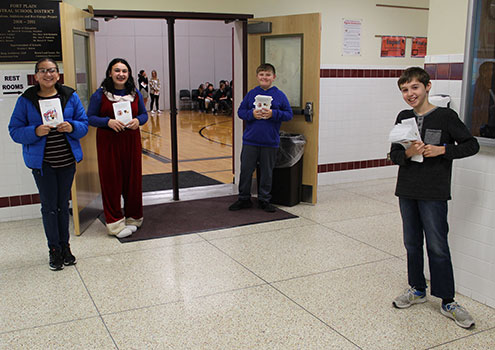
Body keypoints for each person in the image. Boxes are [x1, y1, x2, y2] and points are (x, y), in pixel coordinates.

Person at [390, 67, 479, 329]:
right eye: (405, 90)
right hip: (407, 190)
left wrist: (442, 150)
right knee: (412, 243)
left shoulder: (446, 116)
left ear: (427, 87)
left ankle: (448, 300)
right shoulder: (403, 117)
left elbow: (470, 145)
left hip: (434, 192)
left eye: (414, 88)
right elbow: (394, 154)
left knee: (438, 246)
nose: (409, 94)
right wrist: (407, 153)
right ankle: (417, 289)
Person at [8, 58, 88, 271]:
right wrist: (34, 131)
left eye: (52, 70)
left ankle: (65, 247)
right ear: (36, 76)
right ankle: (54, 249)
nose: (48, 74)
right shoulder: (26, 100)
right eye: (43, 71)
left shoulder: (69, 96)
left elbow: (84, 125)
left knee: (63, 206)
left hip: (67, 161)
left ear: (57, 74)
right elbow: (14, 130)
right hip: (43, 164)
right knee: (49, 207)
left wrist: (71, 127)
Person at [87, 58, 148, 238]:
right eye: (117, 70)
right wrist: (107, 122)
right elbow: (90, 117)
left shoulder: (135, 93)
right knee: (111, 181)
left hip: (131, 141)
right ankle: (114, 222)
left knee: (133, 180)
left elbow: (144, 114)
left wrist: (138, 120)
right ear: (109, 73)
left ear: (128, 74)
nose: (121, 74)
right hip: (108, 142)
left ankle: (134, 217)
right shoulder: (100, 95)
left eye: (124, 71)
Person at [229, 63, 293, 212]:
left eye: (268, 75)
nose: (265, 77)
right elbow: (240, 112)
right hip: (250, 141)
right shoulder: (251, 94)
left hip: (270, 142)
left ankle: (264, 200)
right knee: (246, 170)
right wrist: (251, 114)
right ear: (257, 77)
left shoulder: (280, 95)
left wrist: (274, 114)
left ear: (273, 77)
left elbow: (288, 114)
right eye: (262, 75)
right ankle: (243, 198)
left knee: (266, 172)